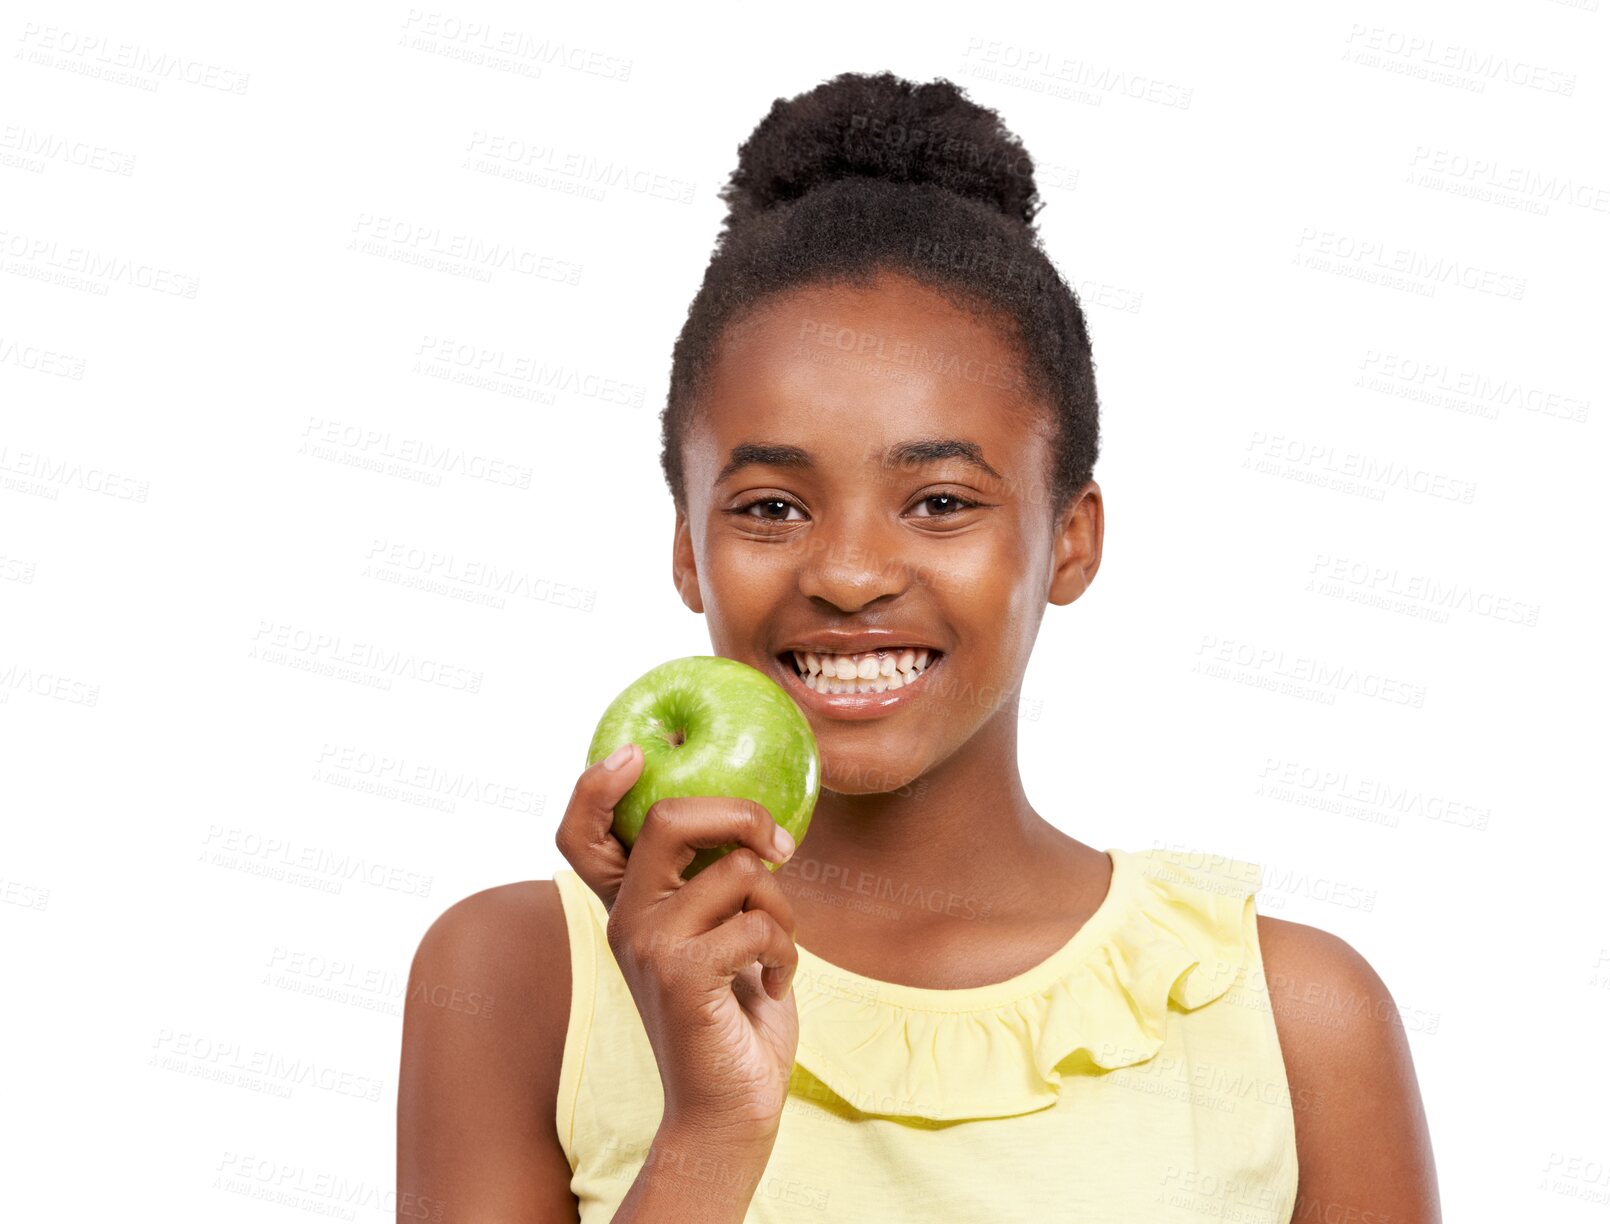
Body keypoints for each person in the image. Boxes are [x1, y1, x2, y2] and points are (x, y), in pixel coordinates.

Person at [397, 71, 1441, 1223]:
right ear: (688, 550)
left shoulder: (1289, 1016)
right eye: (771, 508)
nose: (847, 575)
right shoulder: (520, 974)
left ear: (1070, 541)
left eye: (941, 502)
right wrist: (714, 1123)